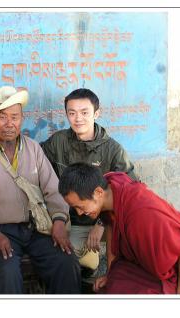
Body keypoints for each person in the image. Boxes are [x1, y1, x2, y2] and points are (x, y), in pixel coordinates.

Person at [0, 86, 81, 294]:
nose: (9, 124)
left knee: (66, 261)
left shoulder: (34, 148)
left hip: (35, 229)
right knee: (7, 270)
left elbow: (53, 189)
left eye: (15, 117)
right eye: (2, 117)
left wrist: (60, 221)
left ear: (22, 119)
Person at [58, 163, 180, 294]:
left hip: (177, 273)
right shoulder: (110, 189)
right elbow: (111, 227)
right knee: (108, 287)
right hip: (142, 264)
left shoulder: (141, 212)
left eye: (80, 206)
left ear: (98, 192)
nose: (78, 213)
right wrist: (110, 274)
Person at [41, 88, 136, 272]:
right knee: (56, 258)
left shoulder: (113, 150)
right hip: (68, 221)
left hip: (101, 223)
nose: (78, 119)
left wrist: (102, 224)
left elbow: (130, 191)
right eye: (72, 113)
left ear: (96, 113)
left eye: (85, 112)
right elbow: (37, 162)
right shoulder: (58, 141)